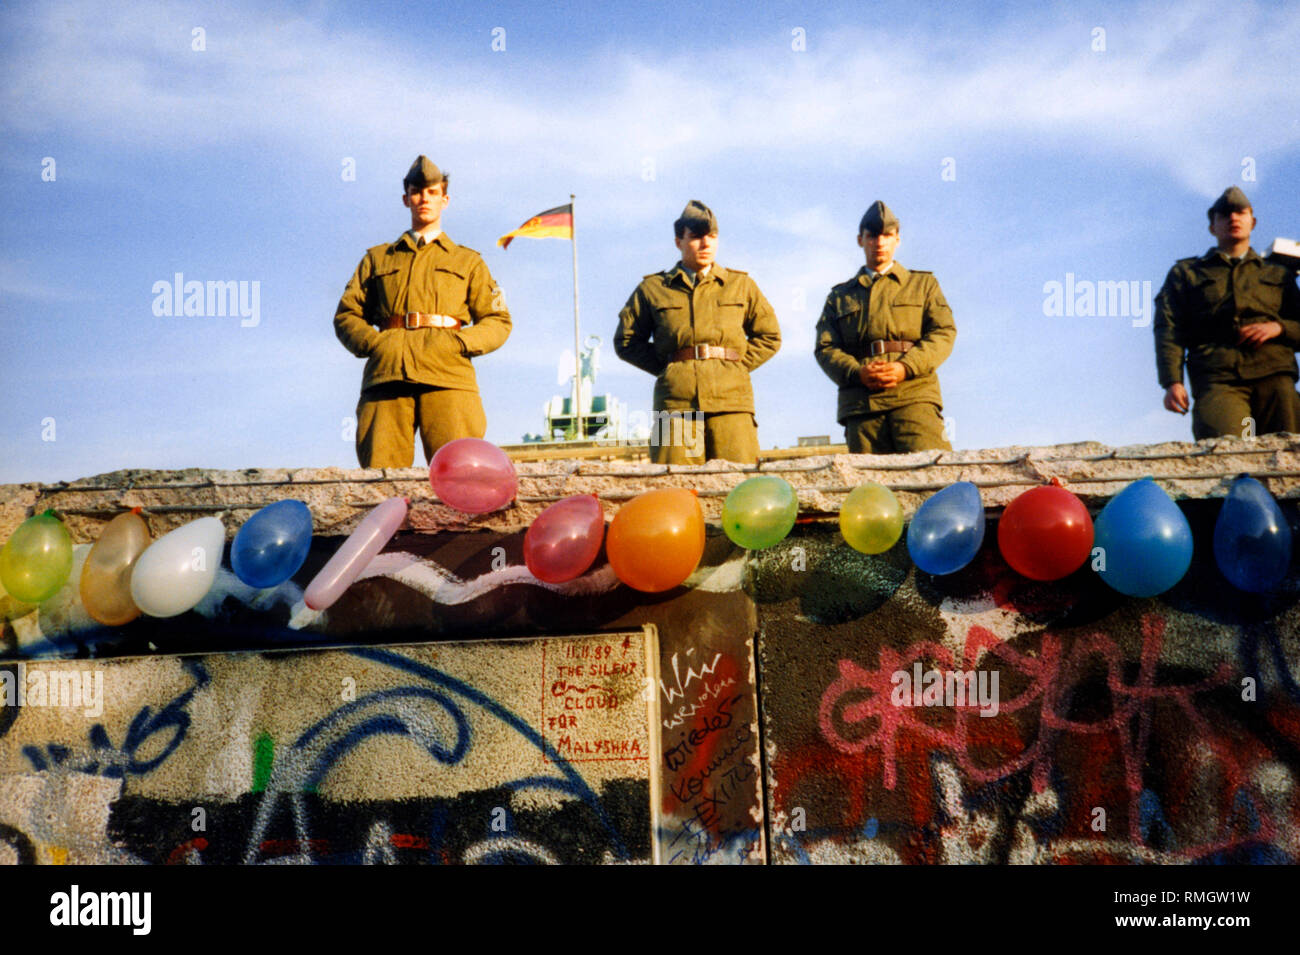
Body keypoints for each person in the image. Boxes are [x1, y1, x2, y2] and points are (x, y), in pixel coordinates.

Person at [333, 155, 512, 468]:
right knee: (381, 477)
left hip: (449, 375)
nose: (423, 199)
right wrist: (375, 345)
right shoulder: (378, 259)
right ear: (406, 199)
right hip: (387, 376)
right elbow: (347, 314)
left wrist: (459, 344)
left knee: (459, 474)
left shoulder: (467, 261)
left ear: (445, 199)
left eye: (431, 192)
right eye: (417, 192)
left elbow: (498, 321)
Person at [614, 200, 781, 464]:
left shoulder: (741, 285)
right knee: (673, 486)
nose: (706, 245)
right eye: (696, 238)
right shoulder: (653, 289)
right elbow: (626, 341)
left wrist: (734, 367)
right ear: (678, 241)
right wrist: (671, 368)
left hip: (732, 403)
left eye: (712, 237)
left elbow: (770, 336)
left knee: (737, 483)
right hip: (675, 406)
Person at [1154, 186, 1300, 439]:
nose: (1233, 218)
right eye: (1224, 214)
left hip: (1274, 375)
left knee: (1287, 455)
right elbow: (1169, 328)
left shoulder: (1278, 274)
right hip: (1217, 376)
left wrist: (1280, 327)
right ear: (1212, 226)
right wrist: (1172, 381)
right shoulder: (1187, 274)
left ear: (1252, 222)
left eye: (1240, 212)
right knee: (1223, 449)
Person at [814, 200, 956, 453]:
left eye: (887, 235)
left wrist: (906, 367)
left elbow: (943, 332)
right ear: (861, 240)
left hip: (914, 396)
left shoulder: (923, 285)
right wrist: (857, 373)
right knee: (871, 487)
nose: (879, 243)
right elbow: (825, 348)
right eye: (872, 236)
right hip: (862, 405)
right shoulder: (840, 296)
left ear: (897, 240)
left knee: (931, 477)